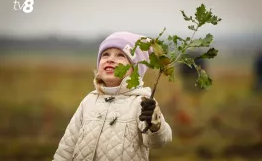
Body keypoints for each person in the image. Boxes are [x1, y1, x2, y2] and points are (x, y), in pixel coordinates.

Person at [53, 32, 172, 161]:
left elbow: (159, 141)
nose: (110, 59)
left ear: (136, 69)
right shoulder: (89, 101)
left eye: (120, 55)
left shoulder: (143, 102)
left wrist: (154, 123)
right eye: (105, 54)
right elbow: (67, 146)